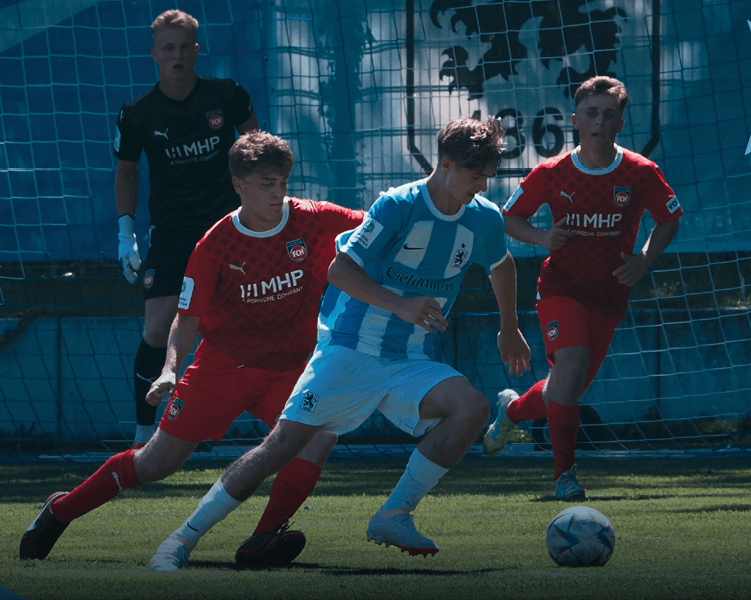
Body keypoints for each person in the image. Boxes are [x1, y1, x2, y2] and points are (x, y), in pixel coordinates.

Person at [148, 116, 532, 571]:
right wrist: (401, 304)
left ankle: (393, 514)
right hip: (348, 349)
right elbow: (340, 271)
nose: (482, 186)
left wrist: (509, 327)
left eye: (487, 176)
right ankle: (181, 539)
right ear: (445, 165)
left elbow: (501, 264)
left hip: (408, 358)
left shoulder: (483, 216)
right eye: (475, 176)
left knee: (471, 408)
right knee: (281, 446)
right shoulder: (397, 205)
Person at [20, 132, 365, 566]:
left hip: (289, 370)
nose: (278, 193)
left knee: (318, 438)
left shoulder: (315, 218)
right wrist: (170, 368)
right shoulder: (215, 245)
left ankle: (261, 540)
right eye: (266, 184)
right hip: (222, 370)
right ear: (238, 183)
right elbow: (187, 319)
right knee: (154, 465)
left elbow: (380, 223)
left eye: (283, 182)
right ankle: (60, 510)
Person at [483, 76, 683, 500]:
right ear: (575, 120)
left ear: (621, 124)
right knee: (570, 368)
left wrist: (644, 259)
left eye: (609, 115)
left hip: (610, 297)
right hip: (561, 288)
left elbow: (669, 219)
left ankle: (511, 411)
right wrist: (541, 238)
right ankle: (565, 478)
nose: (599, 122)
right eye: (591, 113)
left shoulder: (640, 172)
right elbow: (510, 218)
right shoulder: (552, 172)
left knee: (565, 388)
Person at [114, 9, 260, 449]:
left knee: (247, 328)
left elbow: (257, 151)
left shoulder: (227, 96)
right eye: (168, 48)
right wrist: (125, 233)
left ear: (196, 51)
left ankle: (277, 426)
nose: (176, 55)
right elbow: (127, 172)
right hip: (172, 233)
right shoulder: (137, 114)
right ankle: (143, 438)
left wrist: (261, 213)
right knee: (158, 329)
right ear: (155, 54)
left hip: (229, 230)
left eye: (184, 47)